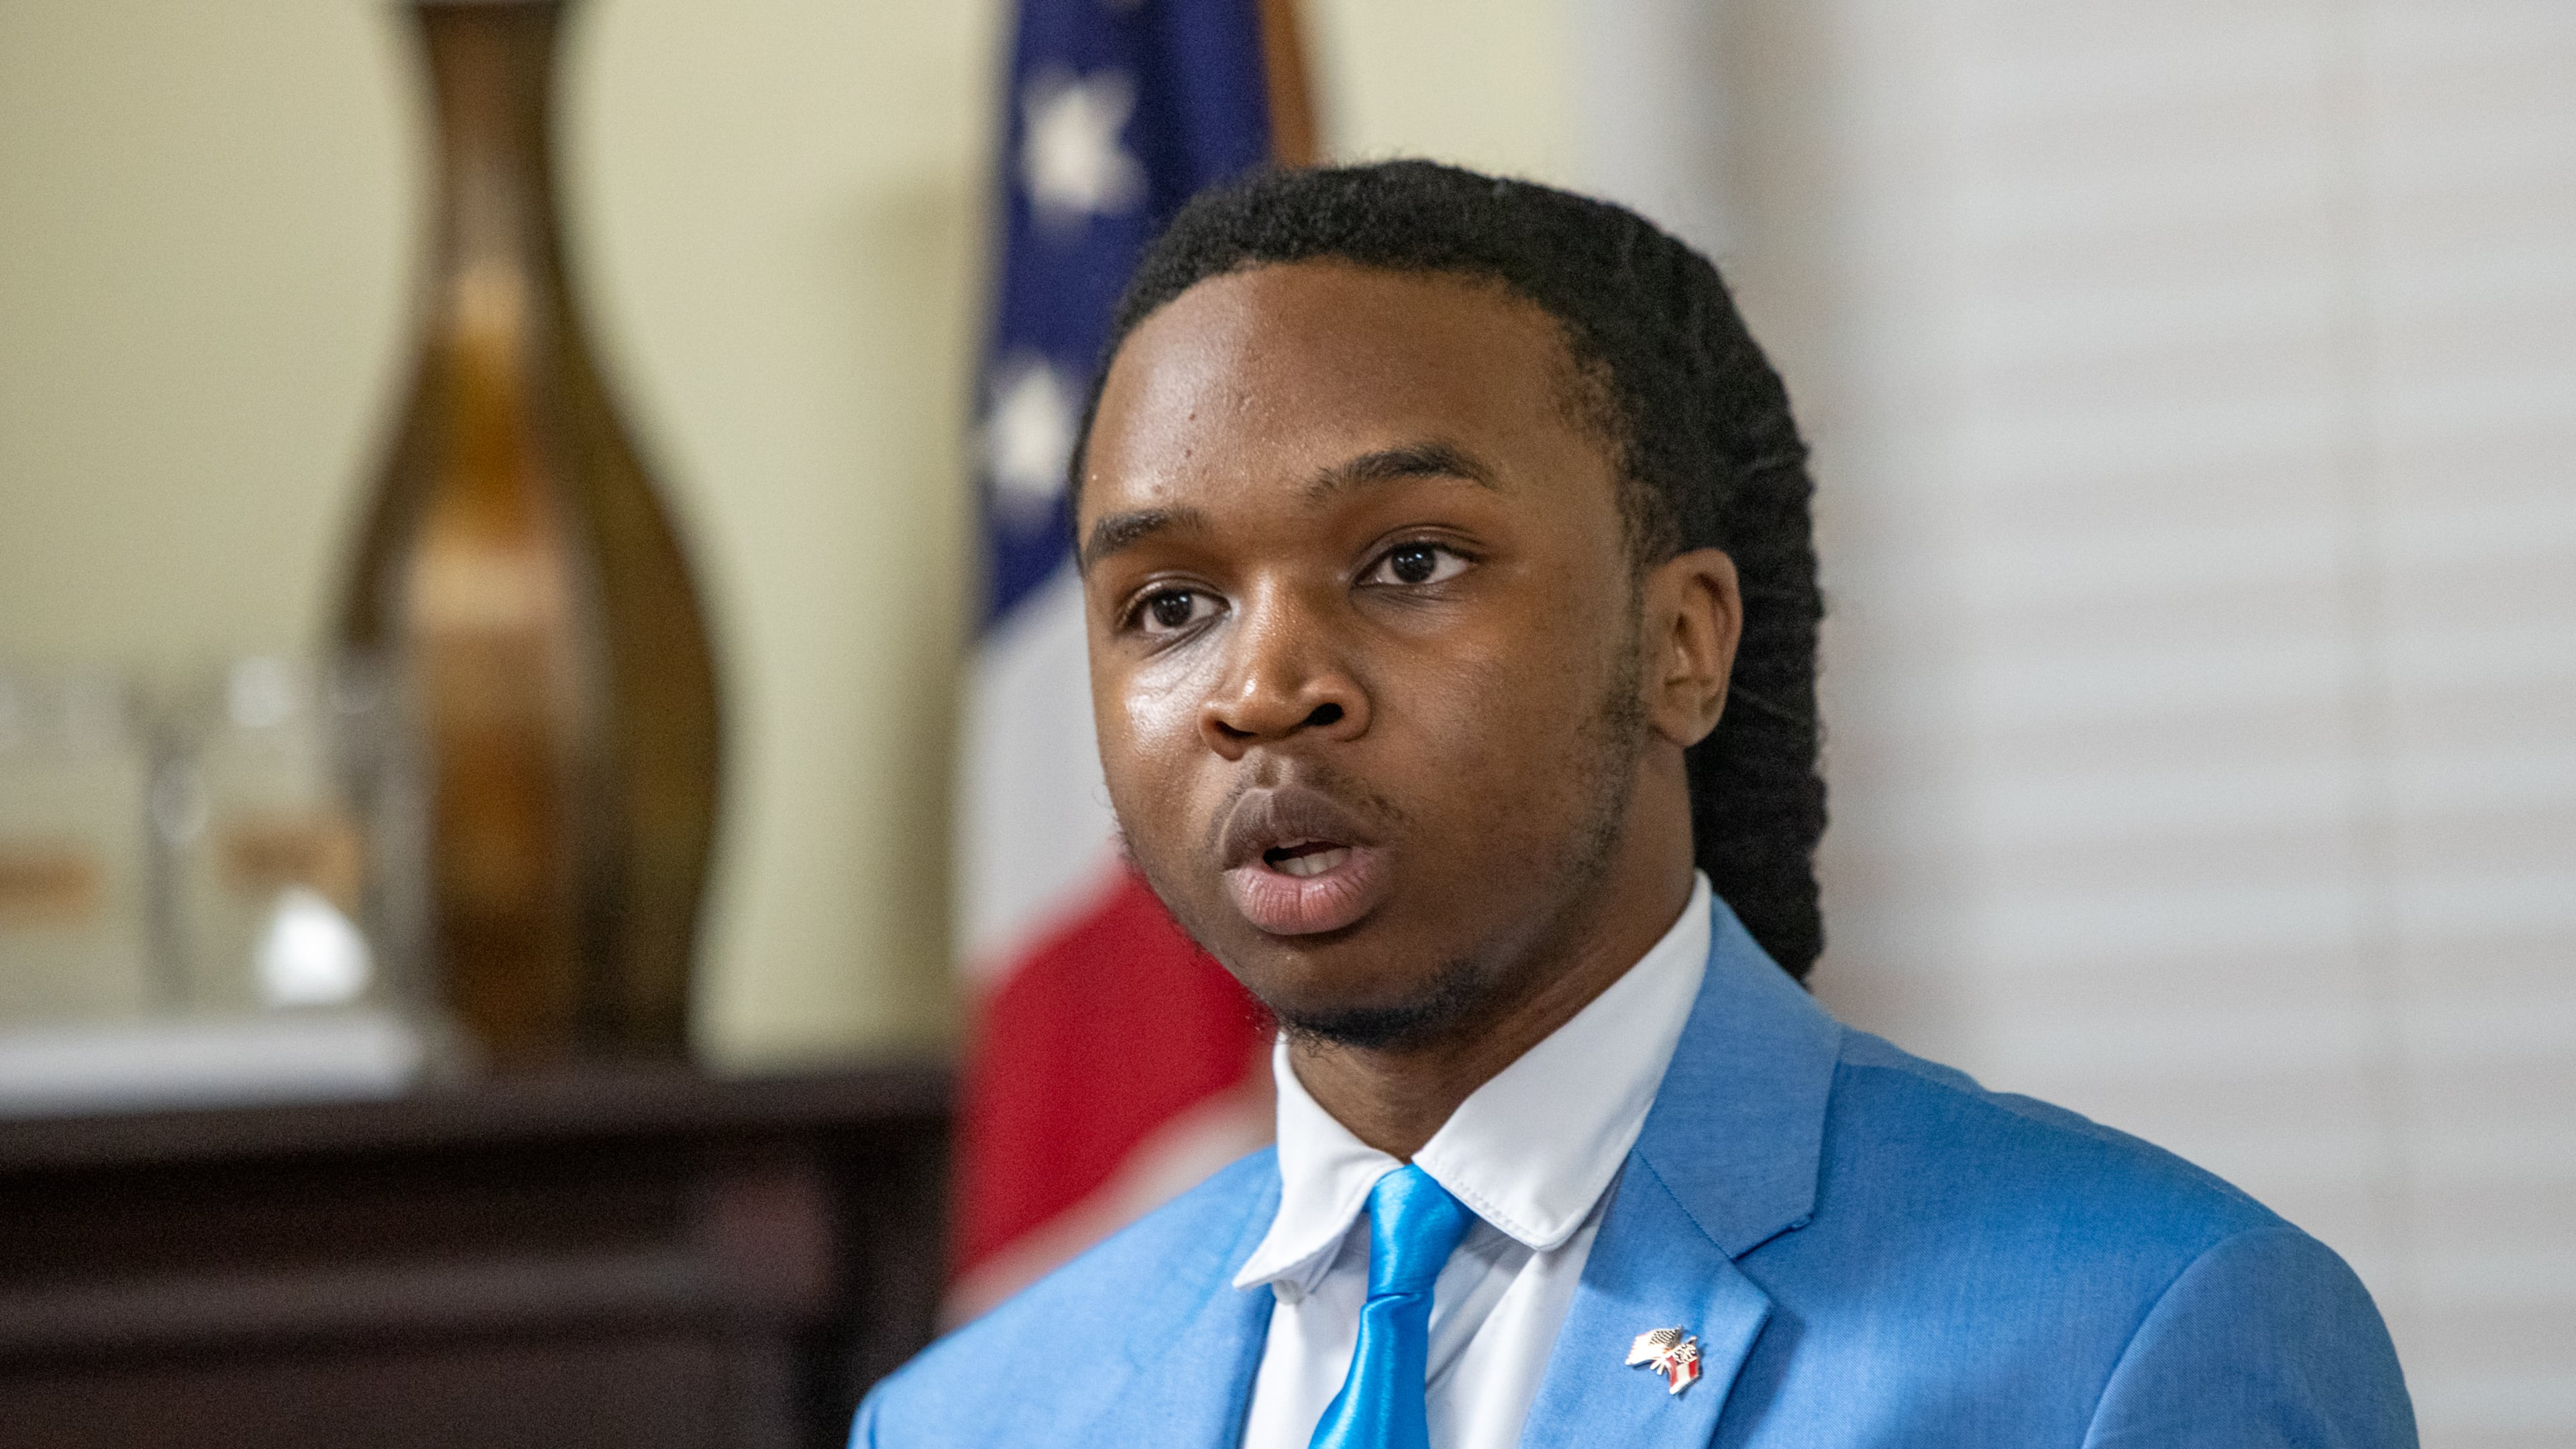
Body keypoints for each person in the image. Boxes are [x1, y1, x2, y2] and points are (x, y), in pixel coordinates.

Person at [856, 161, 2416, 1448]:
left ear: (1682, 645)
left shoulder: (2139, 1339)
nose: (1262, 687)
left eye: (1411, 561)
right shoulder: (961, 1419)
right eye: (1171, 604)